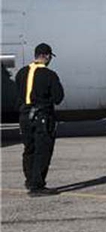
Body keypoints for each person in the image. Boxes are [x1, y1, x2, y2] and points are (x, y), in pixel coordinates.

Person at [16, 43, 64, 196]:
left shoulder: (21, 73)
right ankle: (37, 186)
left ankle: (30, 181)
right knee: (42, 151)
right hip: (42, 116)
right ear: (47, 56)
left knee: (29, 149)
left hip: (24, 116)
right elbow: (58, 98)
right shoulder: (50, 75)